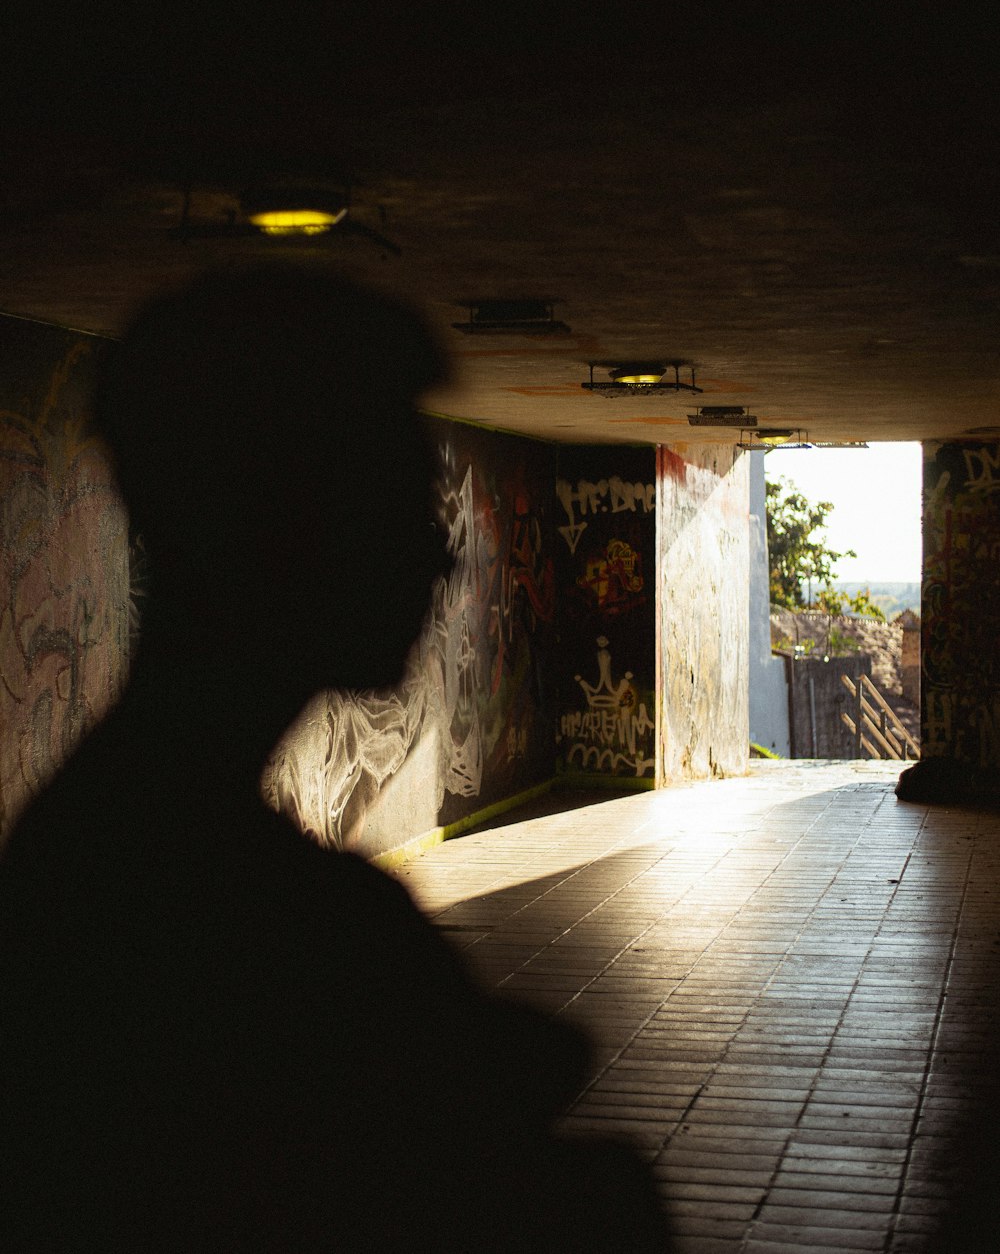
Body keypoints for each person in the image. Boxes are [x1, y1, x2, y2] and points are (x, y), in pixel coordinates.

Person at [0, 265, 669, 1250]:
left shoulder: (97, 845)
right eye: (400, 498)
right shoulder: (265, 914)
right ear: (282, 522)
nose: (438, 558)